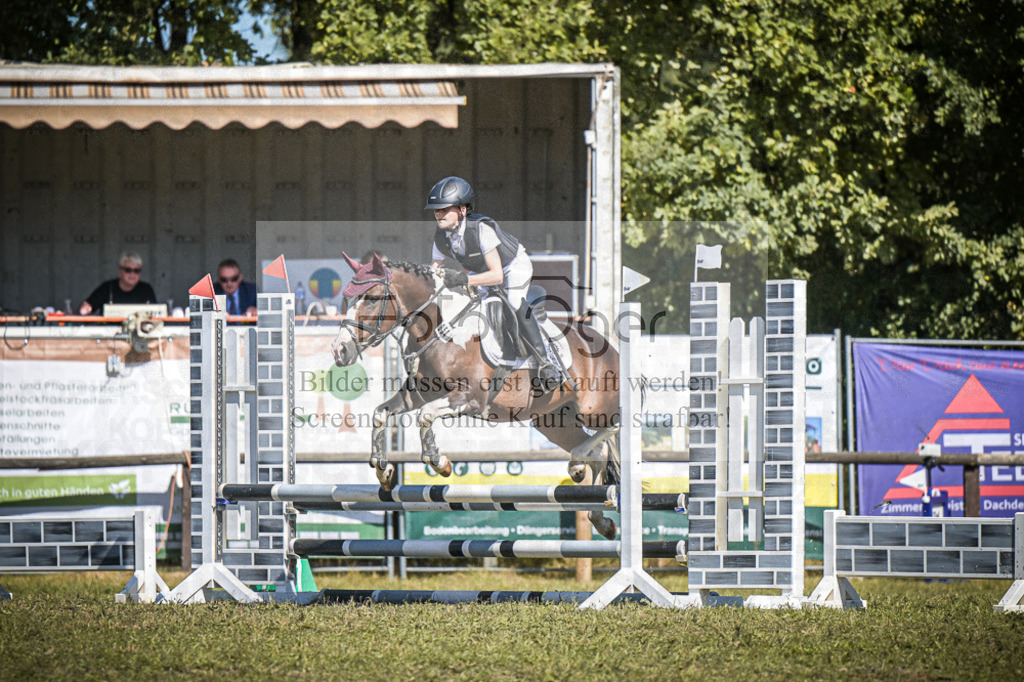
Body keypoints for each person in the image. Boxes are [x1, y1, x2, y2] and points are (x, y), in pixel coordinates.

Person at [425, 175, 562, 390]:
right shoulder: (440, 237)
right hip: (480, 271)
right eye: (436, 209)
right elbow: (434, 273)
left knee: (515, 301)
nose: (438, 213)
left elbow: (497, 275)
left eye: (444, 209)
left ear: (462, 210)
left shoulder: (481, 229)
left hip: (511, 266)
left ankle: (546, 363)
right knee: (471, 305)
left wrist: (462, 279)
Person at [79, 251, 158, 315]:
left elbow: (156, 315)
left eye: (136, 271)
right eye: (128, 270)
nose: (132, 274)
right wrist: (85, 309)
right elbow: (85, 309)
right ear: (120, 271)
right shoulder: (107, 288)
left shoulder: (146, 289)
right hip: (109, 333)